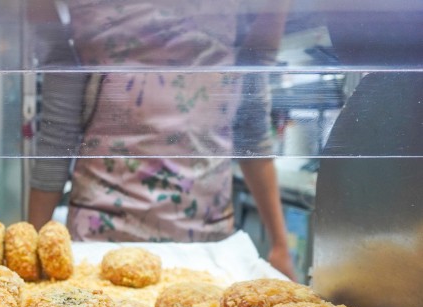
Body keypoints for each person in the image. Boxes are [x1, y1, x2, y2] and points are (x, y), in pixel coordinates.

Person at [27, 0, 295, 278]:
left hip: (206, 245)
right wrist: (33, 253)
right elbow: (58, 131)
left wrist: (280, 246)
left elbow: (251, 122)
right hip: (100, 245)